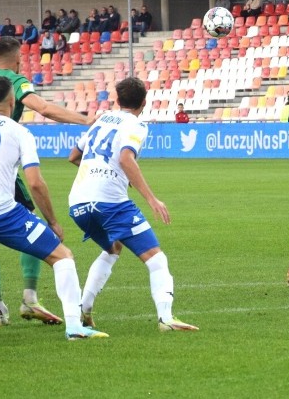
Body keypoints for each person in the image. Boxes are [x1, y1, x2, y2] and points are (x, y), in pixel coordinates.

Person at [0, 36, 94, 327]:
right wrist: (86, 120)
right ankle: (31, 298)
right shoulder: (13, 80)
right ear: (18, 58)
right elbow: (45, 109)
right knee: (36, 226)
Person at [67, 78, 198, 332]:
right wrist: (152, 199)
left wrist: (101, 173)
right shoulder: (136, 124)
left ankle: (84, 310)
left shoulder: (102, 120)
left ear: (117, 100)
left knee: (113, 248)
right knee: (156, 259)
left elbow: (73, 156)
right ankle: (166, 318)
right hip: (110, 203)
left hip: (78, 203)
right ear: (144, 103)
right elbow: (126, 158)